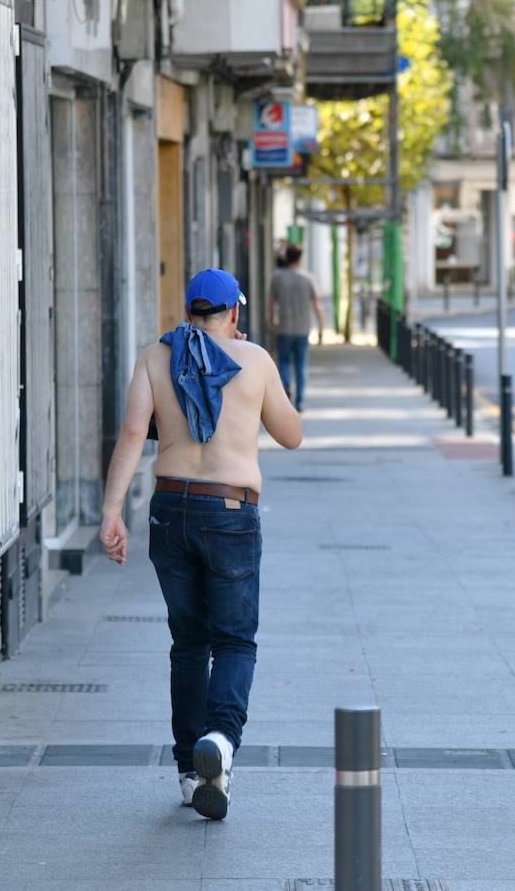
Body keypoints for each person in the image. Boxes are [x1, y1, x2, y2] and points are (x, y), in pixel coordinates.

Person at [99, 267, 302, 821]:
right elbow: (291, 434)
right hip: (231, 510)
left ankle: (192, 772)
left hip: (169, 508)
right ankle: (221, 741)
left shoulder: (155, 356)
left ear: (189, 312)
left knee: (188, 643)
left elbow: (134, 435)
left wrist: (111, 512)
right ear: (234, 312)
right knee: (234, 641)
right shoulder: (254, 359)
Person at [268, 244, 325, 412]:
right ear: (300, 259)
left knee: (284, 361)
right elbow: (317, 305)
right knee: (301, 365)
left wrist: (272, 320)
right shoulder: (308, 278)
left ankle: (286, 386)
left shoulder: (277, 278)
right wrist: (321, 328)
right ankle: (300, 402)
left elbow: (272, 303)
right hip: (302, 329)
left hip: (284, 327)